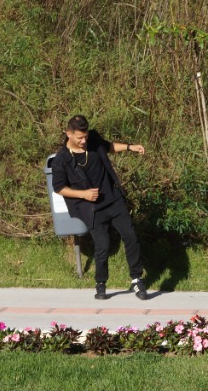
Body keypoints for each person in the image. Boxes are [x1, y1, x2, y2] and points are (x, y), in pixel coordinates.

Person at [51, 115, 148, 300]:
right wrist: (84, 194)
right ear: (68, 134)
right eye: (79, 137)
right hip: (92, 208)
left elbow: (108, 146)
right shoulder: (62, 159)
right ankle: (101, 283)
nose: (84, 140)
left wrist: (130, 147)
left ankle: (136, 279)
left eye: (85, 136)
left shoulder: (93, 139)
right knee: (103, 245)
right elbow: (59, 187)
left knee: (130, 236)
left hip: (113, 199)